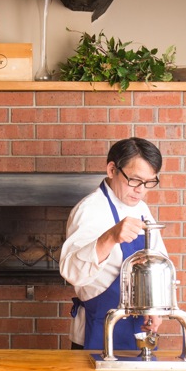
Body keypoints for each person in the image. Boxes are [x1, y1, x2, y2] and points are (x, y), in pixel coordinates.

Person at [59, 137, 167, 351]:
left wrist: (154, 306)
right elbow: (71, 272)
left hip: (138, 331)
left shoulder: (142, 209)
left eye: (149, 182)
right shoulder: (89, 210)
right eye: (135, 180)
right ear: (111, 170)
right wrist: (110, 237)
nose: (141, 190)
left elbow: (157, 260)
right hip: (98, 330)